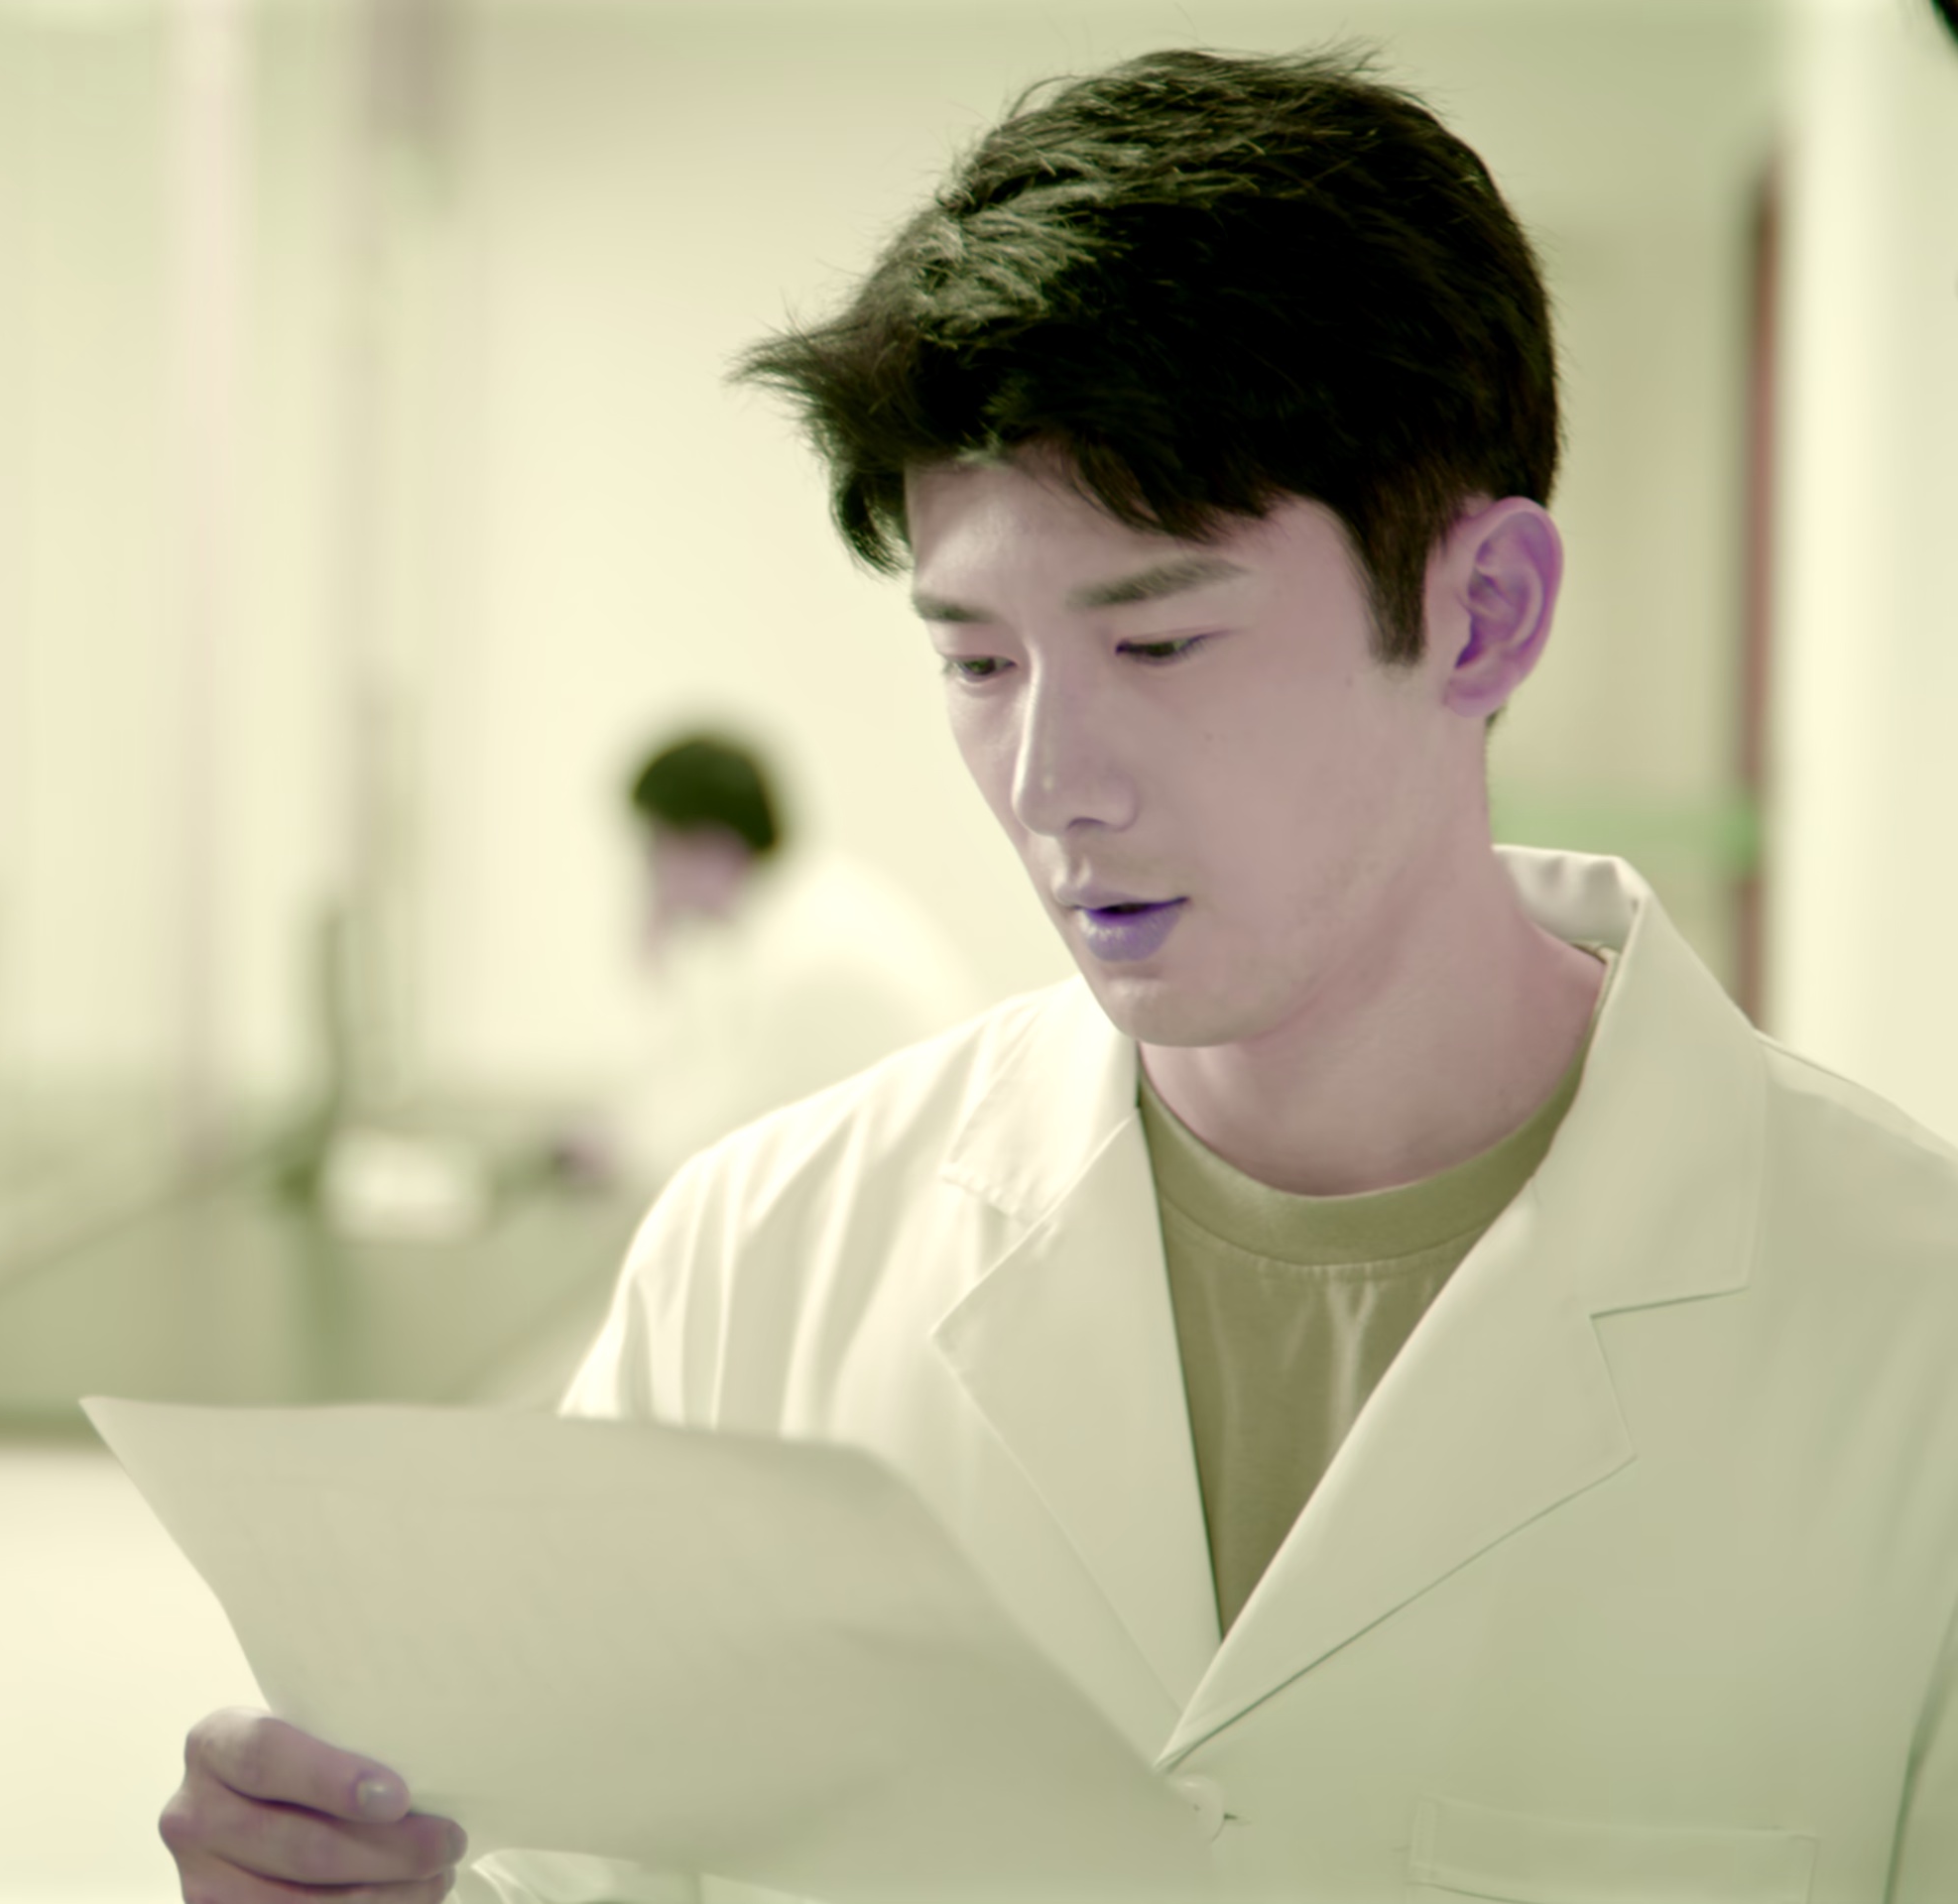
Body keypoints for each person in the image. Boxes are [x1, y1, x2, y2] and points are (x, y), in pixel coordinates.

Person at [159, 45, 1958, 1903]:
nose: (1049, 784)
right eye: (977, 663)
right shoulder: (759, 1271)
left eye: (1157, 643)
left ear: (1483, 613)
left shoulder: (1914, 1350)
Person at [560, 729, 976, 1196]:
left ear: (708, 846)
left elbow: (709, 1155)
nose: (648, 875)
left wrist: (651, 966)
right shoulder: (800, 911)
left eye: (654, 848)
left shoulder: (810, 956)